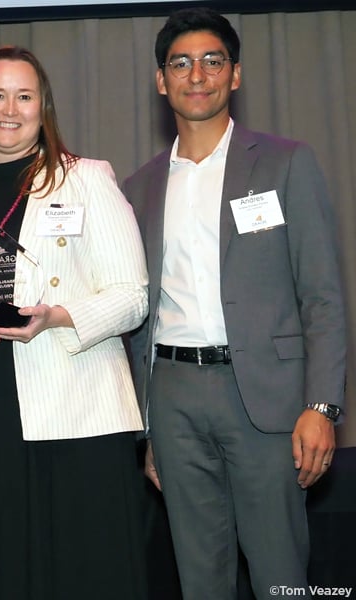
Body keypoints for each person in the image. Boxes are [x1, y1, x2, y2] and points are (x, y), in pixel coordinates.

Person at [124, 8, 346, 599]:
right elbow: (135, 316)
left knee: (280, 576)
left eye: (212, 61)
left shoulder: (284, 162)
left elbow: (322, 296)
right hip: (172, 399)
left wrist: (322, 404)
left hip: (267, 401)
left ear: (236, 75)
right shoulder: (137, 187)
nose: (197, 75)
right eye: (181, 63)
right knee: (200, 579)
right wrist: (149, 429)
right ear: (160, 81)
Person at [0, 46, 148, 600]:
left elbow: (132, 297)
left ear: (43, 107)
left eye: (25, 96)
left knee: (79, 571)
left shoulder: (88, 180)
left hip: (75, 409)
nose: (10, 109)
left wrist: (57, 316)